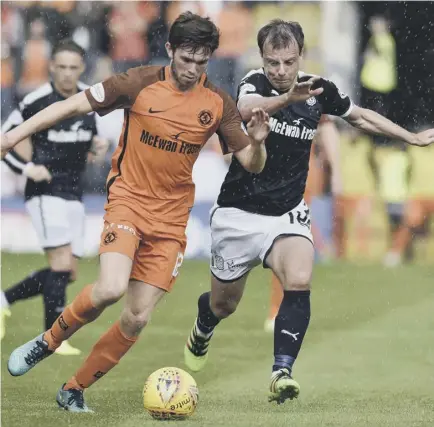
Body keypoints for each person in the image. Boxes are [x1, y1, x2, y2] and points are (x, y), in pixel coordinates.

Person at [3, 12, 271, 413]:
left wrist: (259, 142)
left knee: (137, 318)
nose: (193, 69)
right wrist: (13, 136)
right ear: (169, 50)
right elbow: (73, 105)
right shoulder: (138, 82)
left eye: (202, 61)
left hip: (171, 221)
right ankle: (48, 341)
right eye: (186, 58)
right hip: (128, 200)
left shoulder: (216, 102)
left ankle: (73, 389)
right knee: (110, 289)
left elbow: (252, 162)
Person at [183, 19, 434, 405]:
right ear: (262, 60)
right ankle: (203, 325)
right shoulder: (253, 83)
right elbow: (248, 106)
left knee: (299, 277)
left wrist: (411, 137)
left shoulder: (320, 89)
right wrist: (287, 100)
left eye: (287, 62)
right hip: (238, 212)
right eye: (272, 63)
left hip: (286, 210)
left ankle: (281, 371)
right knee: (223, 304)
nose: (280, 72)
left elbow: (361, 115)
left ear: (301, 56)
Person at [0, 39, 108, 356]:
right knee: (60, 265)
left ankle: (4, 299)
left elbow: (90, 138)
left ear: (82, 68)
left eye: (73, 67)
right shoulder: (36, 100)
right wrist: (27, 168)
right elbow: (4, 141)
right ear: (51, 67)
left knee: (67, 272)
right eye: (61, 67)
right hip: (44, 191)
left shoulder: (89, 97)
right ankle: (52, 337)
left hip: (73, 192)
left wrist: (95, 146)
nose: (66, 73)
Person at [265, 116, 342, 332]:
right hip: (267, 171)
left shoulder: (311, 90)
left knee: (287, 238)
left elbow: (327, 127)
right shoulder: (262, 88)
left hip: (297, 174)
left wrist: (335, 171)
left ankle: (281, 309)